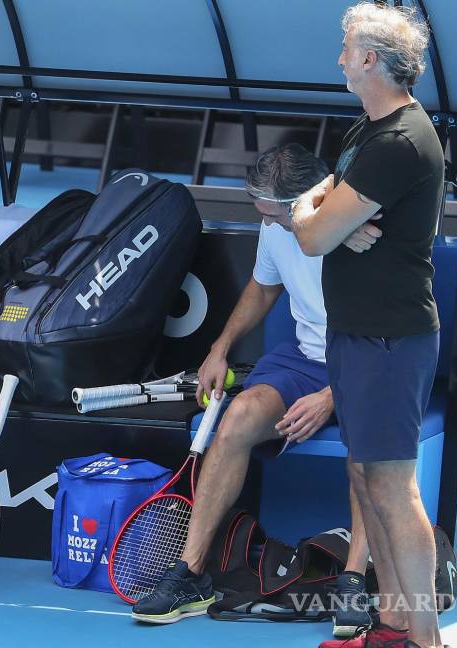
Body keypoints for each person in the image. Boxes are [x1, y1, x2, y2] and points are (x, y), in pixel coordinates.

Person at [132, 143, 373, 626]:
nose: (272, 226)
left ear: (305, 202)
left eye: (279, 217)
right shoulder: (276, 226)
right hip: (305, 360)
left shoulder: (362, 232)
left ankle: (354, 581)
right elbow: (264, 287)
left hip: (370, 360)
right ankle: (191, 572)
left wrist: (331, 396)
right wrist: (219, 348)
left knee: (368, 448)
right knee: (237, 416)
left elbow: (387, 329)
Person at [289, 4, 446, 648]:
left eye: (346, 48)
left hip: (389, 338)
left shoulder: (399, 142)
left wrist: (323, 222)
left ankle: (426, 639)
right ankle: (390, 624)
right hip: (354, 333)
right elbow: (324, 199)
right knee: (365, 478)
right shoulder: (365, 131)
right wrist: (329, 218)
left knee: (393, 485)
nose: (339, 59)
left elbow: (311, 231)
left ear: (372, 60)